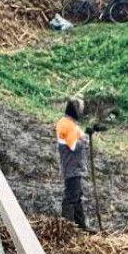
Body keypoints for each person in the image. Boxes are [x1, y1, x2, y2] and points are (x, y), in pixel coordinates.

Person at [55, 97, 95, 231]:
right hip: (72, 166)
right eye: (81, 110)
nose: (82, 113)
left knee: (76, 195)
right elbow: (74, 146)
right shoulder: (68, 125)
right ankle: (66, 227)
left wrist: (87, 134)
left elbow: (77, 136)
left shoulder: (66, 122)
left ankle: (81, 226)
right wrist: (84, 140)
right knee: (71, 197)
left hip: (72, 165)